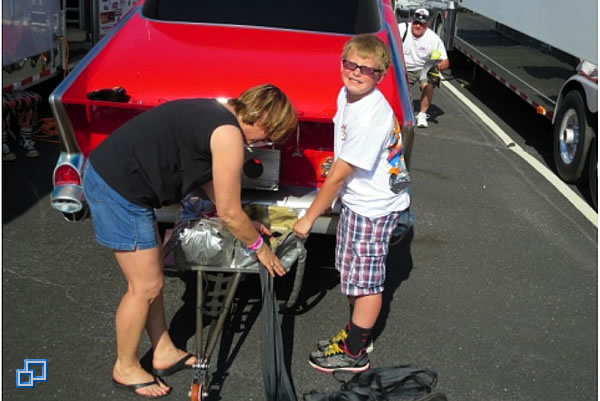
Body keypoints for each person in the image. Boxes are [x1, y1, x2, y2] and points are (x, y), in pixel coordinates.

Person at [83, 83, 297, 398]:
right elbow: (229, 211)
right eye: (268, 136)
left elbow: (210, 178)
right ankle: (124, 367)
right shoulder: (228, 136)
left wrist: (246, 222)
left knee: (152, 280)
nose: (264, 144)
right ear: (263, 119)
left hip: (121, 180)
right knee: (144, 287)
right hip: (119, 189)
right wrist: (259, 249)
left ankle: (164, 350)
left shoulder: (216, 113)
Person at [293, 35, 411, 373]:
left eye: (367, 69)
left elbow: (339, 175)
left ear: (381, 76)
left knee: (366, 282)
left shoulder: (370, 114)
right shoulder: (347, 95)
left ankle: (355, 352)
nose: (357, 73)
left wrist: (308, 218)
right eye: (351, 64)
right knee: (352, 274)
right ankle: (357, 332)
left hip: (373, 208)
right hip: (360, 202)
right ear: (342, 63)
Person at [398, 8, 449, 128]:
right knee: (401, 92)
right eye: (415, 22)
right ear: (412, 20)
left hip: (423, 68)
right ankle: (398, 110)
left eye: (421, 23)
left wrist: (435, 68)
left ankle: (422, 114)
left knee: (431, 81)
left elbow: (446, 62)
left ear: (427, 25)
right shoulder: (402, 29)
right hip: (403, 67)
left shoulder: (433, 39)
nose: (417, 26)